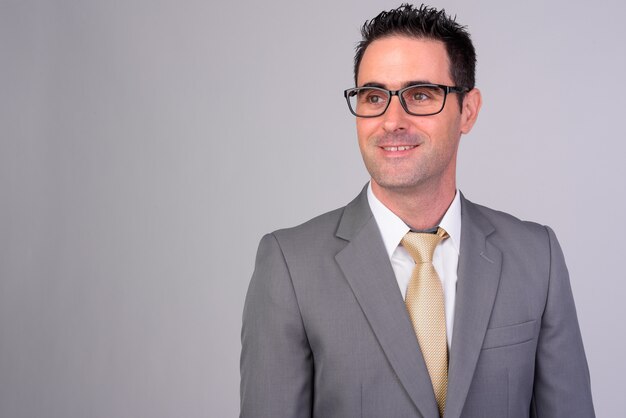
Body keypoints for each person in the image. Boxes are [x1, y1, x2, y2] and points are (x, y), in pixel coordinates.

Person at [240, 4, 595, 418]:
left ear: (468, 110)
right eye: (373, 96)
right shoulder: (290, 266)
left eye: (420, 95)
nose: (392, 120)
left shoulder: (537, 257)